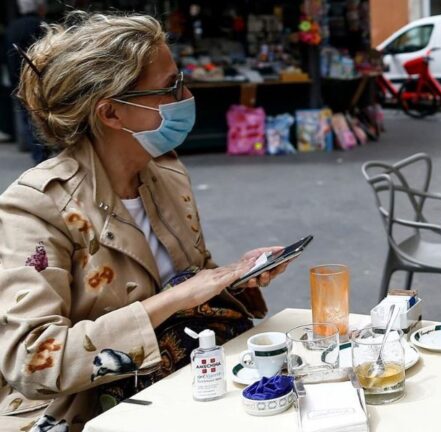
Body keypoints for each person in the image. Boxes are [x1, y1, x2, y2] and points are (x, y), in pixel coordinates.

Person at [0, 12, 289, 431]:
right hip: (87, 413)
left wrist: (237, 275)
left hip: (185, 382)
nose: (187, 94)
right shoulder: (36, 206)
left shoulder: (165, 174)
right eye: (171, 86)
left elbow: (190, 282)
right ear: (111, 113)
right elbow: (33, 361)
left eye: (182, 78)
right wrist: (174, 300)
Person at [5, 0, 47, 163]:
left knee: (28, 119)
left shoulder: (12, 27)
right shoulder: (40, 25)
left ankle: (38, 156)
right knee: (41, 117)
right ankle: (42, 154)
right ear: (40, 9)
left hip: (17, 80)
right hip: (38, 80)